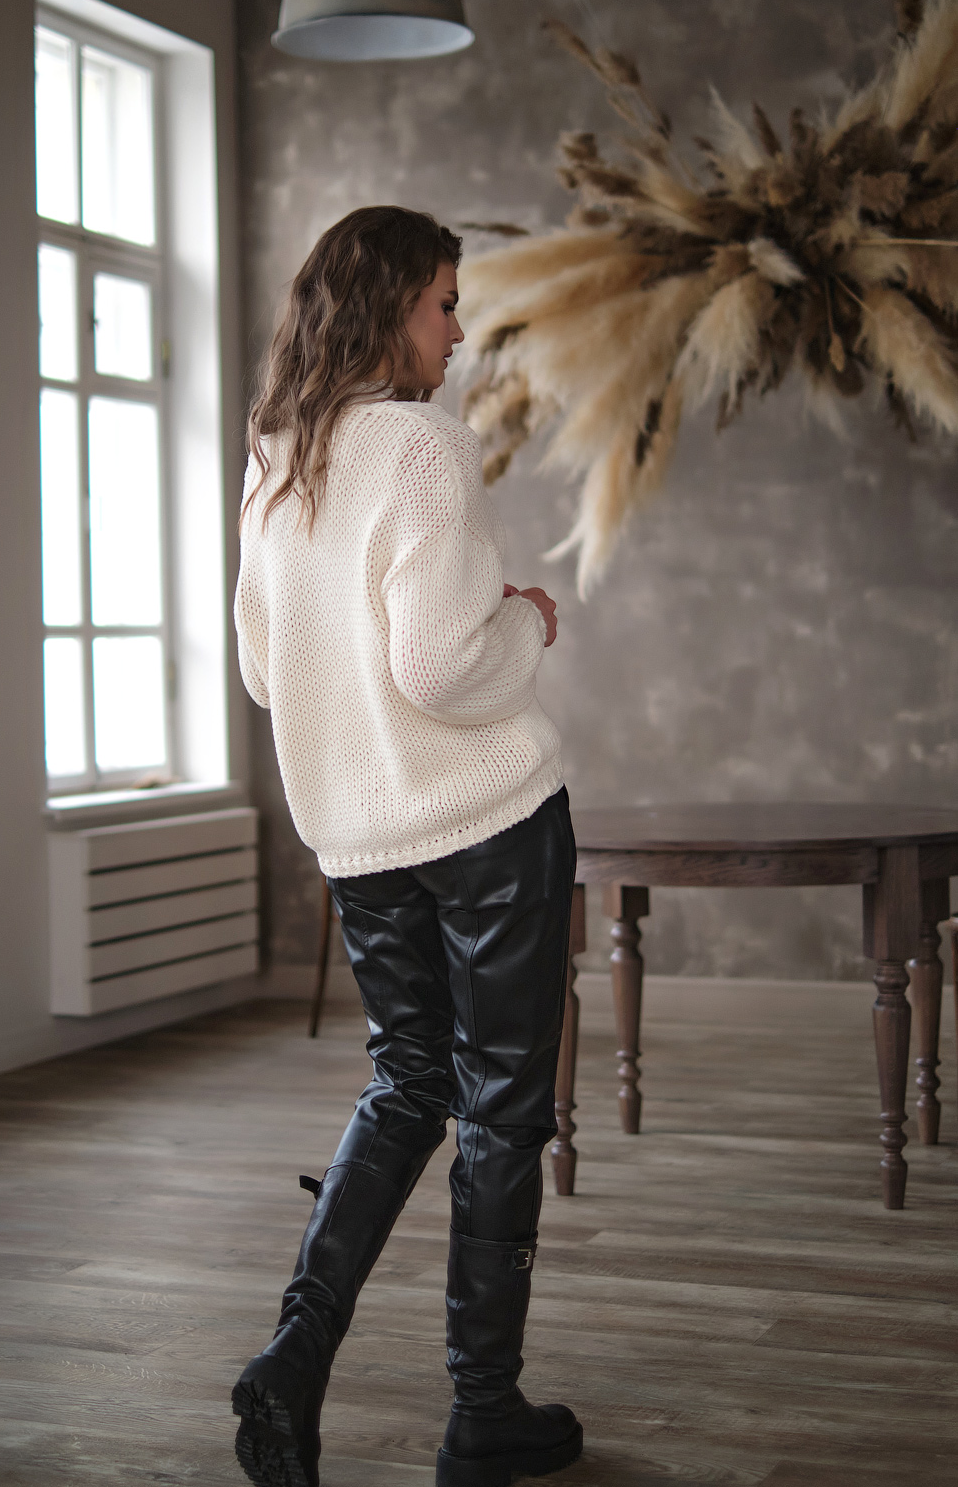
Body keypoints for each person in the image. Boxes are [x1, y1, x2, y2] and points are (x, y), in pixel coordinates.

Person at [231, 205, 581, 1487]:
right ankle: (483, 1415)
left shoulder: (277, 457)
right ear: (389, 308)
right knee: (501, 1109)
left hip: (360, 836)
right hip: (487, 824)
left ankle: (292, 1362)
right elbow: (438, 666)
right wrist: (526, 619)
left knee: (406, 1083)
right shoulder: (423, 446)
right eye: (444, 302)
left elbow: (266, 674)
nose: (458, 330)